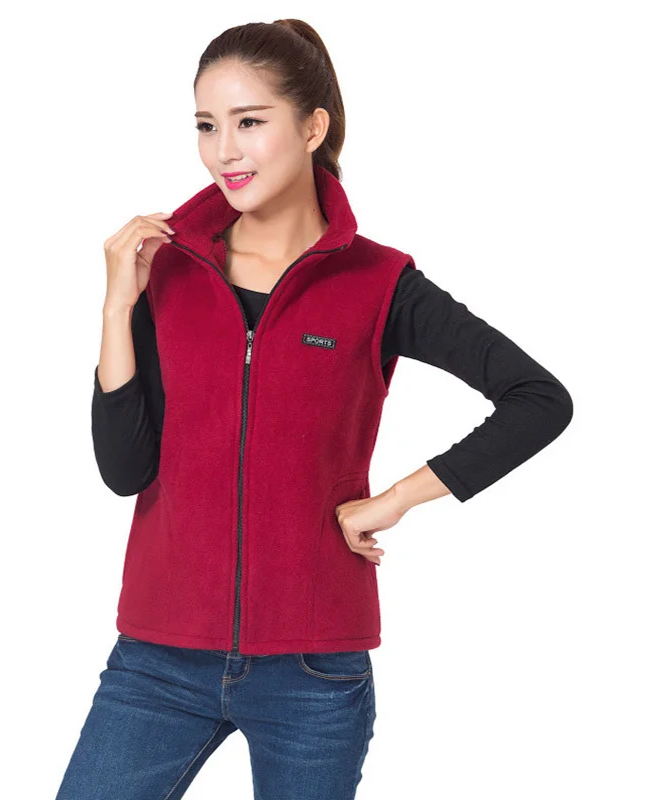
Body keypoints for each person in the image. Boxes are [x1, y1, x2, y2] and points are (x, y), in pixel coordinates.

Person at [55, 18, 573, 800]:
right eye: (206, 126)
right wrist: (115, 306)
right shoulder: (168, 269)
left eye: (249, 122)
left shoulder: (379, 283)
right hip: (158, 658)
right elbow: (124, 470)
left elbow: (538, 399)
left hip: (312, 671)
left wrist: (394, 500)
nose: (224, 151)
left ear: (312, 128)